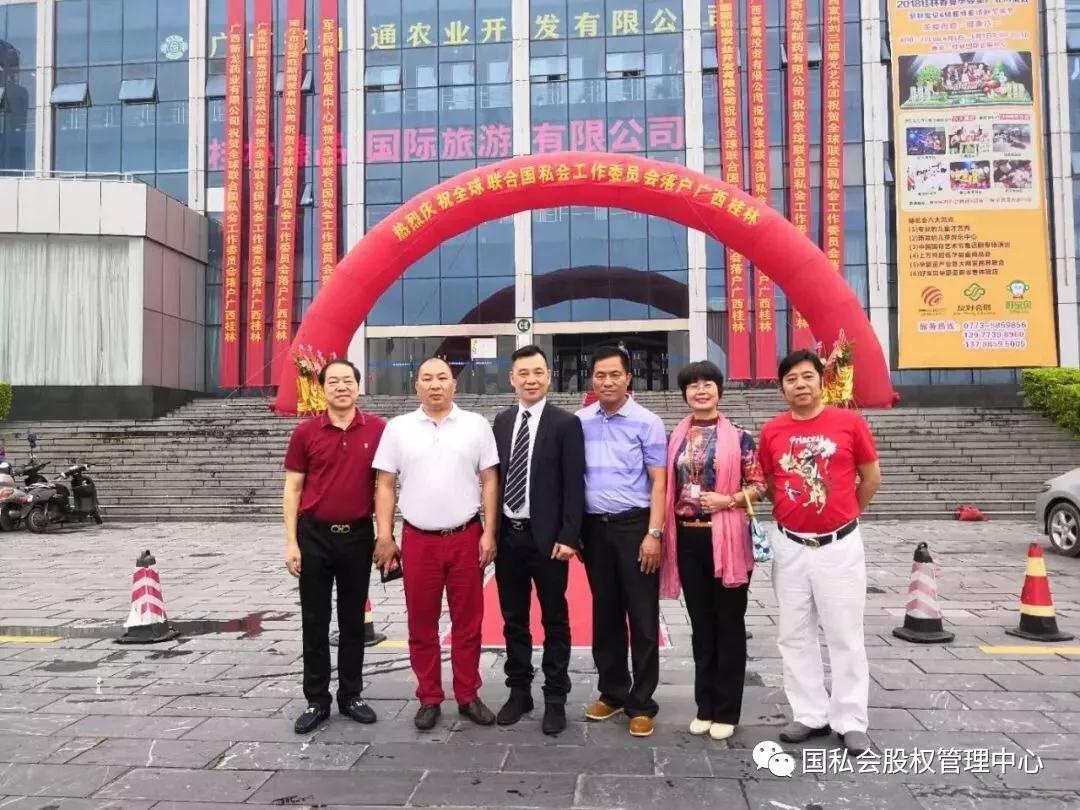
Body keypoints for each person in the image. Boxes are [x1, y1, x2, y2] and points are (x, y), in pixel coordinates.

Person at [758, 349, 882, 757]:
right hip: (790, 545)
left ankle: (851, 719)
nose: (800, 385)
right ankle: (809, 713)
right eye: (791, 379)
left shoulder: (849, 422)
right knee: (794, 634)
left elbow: (871, 477)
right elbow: (771, 482)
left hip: (838, 546)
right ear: (782, 388)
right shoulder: (773, 431)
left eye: (807, 376)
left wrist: (843, 516)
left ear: (820, 380)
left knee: (844, 633)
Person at [372, 357, 500, 731]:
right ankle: (429, 697)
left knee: (468, 623)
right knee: (421, 623)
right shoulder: (398, 428)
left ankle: (468, 694)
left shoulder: (476, 425)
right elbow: (384, 484)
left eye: (442, 377)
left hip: (466, 536)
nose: (435, 384)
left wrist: (489, 532)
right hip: (418, 540)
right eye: (427, 378)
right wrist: (384, 535)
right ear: (417, 386)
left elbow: (490, 480)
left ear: (454, 384)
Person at [659, 361, 765, 741]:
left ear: (719, 391)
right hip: (688, 539)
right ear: (684, 394)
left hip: (728, 539)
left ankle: (727, 710)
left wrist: (729, 499)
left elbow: (760, 485)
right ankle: (704, 706)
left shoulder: (740, 437)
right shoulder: (674, 438)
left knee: (729, 625)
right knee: (701, 626)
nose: (700, 390)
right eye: (693, 385)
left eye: (707, 384)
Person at [282, 359, 386, 734]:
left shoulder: (378, 430)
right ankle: (317, 699)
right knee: (315, 619)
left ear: (358, 386)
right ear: (322, 388)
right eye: (333, 382)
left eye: (347, 381)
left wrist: (385, 535)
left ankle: (351, 695)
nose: (341, 387)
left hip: (357, 536)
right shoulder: (305, 432)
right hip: (314, 536)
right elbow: (293, 488)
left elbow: (385, 485)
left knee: (353, 620)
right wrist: (291, 542)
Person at [492, 345, 585, 736]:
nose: (530, 380)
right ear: (512, 379)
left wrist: (569, 536)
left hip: (548, 541)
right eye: (523, 373)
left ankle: (556, 697)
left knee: (554, 619)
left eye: (537, 372)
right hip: (508, 537)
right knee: (513, 619)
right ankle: (519, 692)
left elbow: (575, 485)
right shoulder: (501, 422)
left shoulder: (566, 423)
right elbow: (493, 480)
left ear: (548, 377)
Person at [576, 346, 667, 738]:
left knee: (643, 618)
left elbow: (660, 481)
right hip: (595, 530)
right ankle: (612, 692)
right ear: (591, 379)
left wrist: (654, 533)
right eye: (600, 375)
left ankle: (642, 702)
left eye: (615, 374)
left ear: (629, 378)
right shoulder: (580, 421)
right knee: (605, 614)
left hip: (635, 528)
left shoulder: (647, 422)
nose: (607, 381)